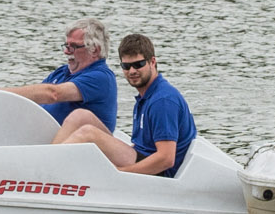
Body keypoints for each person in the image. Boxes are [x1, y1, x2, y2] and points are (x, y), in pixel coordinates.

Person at [54, 31, 193, 176]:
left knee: (87, 133)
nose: (132, 71)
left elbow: (166, 160)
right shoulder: (148, 95)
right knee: (81, 116)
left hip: (159, 175)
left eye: (138, 65)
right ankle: (45, 161)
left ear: (152, 62)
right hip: (138, 156)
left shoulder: (162, 101)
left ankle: (45, 170)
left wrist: (119, 173)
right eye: (126, 66)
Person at [0, 19, 118, 133]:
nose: (66, 52)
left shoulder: (101, 77)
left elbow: (52, 94)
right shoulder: (61, 73)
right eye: (66, 46)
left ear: (94, 50)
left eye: (73, 46)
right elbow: (32, 100)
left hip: (78, 155)